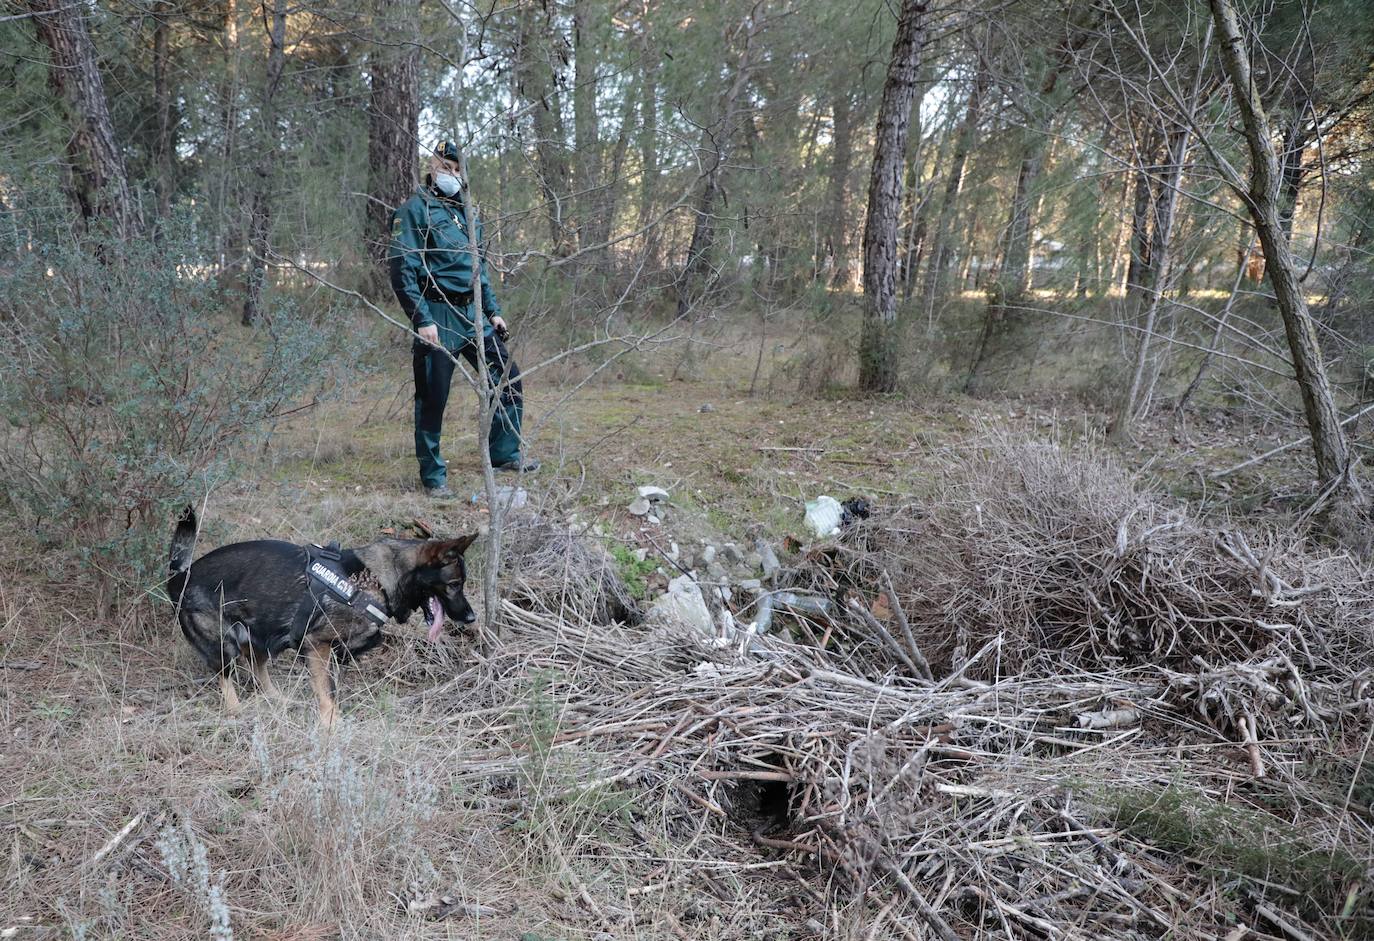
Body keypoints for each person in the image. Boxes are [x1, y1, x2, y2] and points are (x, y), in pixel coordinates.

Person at [388, 140, 538, 498]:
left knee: (507, 378)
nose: (451, 175)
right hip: (437, 313)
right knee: (433, 395)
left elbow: (478, 269)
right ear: (432, 166)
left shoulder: (468, 213)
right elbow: (401, 270)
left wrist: (493, 311)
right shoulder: (413, 210)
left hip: (473, 314)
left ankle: (505, 453)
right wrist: (420, 318)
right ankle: (434, 475)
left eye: (457, 169)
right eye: (445, 167)